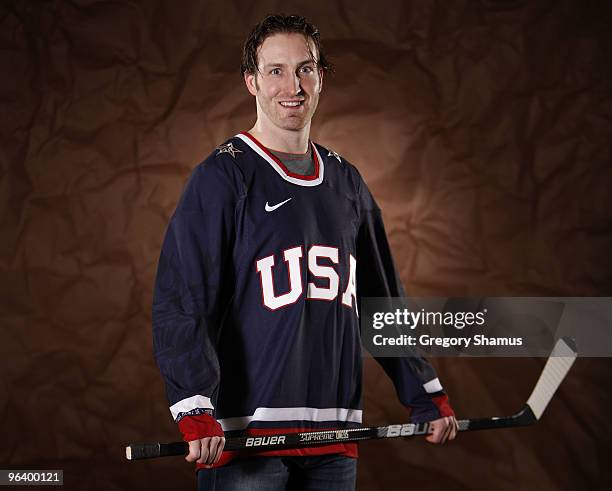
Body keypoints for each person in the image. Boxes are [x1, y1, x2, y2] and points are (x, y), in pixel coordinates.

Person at [152, 14, 458, 490]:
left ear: (320, 79)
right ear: (251, 81)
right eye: (275, 70)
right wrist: (195, 403)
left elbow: (383, 301)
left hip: (334, 437)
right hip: (249, 438)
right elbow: (184, 300)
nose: (291, 85)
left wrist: (423, 393)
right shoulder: (222, 177)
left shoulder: (346, 181)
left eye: (305, 68)